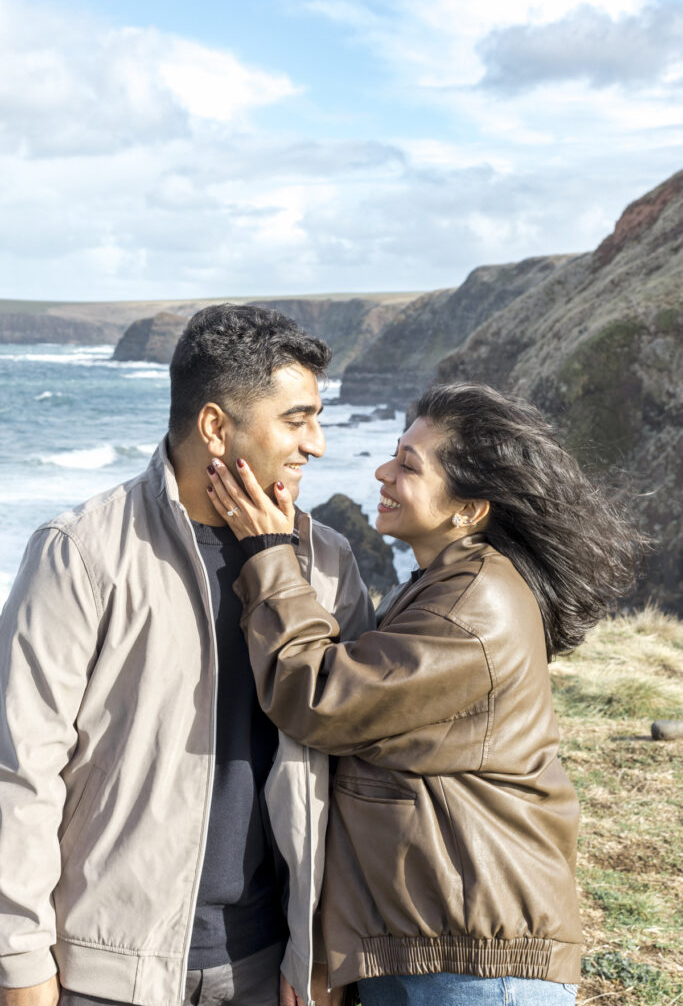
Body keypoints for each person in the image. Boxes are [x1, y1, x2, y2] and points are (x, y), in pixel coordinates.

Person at [206, 381, 641, 1006]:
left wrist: (270, 555)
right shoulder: (442, 583)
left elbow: (319, 699)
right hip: (429, 941)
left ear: (469, 509)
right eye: (392, 454)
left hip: (474, 963)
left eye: (408, 466)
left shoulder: (474, 607)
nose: (382, 472)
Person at [0, 304, 374, 1006]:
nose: (317, 444)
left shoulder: (326, 563)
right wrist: (19, 958)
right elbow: (19, 766)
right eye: (296, 421)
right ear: (214, 427)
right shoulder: (81, 551)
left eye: (316, 420)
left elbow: (352, 774)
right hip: (106, 968)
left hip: (268, 961)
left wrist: (321, 949)